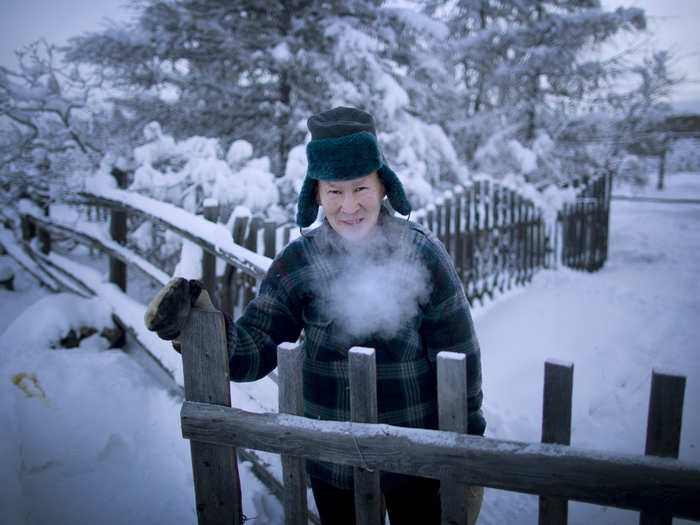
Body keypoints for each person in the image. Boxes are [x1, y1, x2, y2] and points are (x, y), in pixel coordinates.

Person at [145, 107, 485, 525]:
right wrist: (200, 325)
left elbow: (460, 356)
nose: (349, 206)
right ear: (317, 194)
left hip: (415, 460)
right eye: (334, 191)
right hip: (333, 463)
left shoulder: (422, 254)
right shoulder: (298, 263)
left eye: (360, 188)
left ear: (382, 186)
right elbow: (255, 350)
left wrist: (470, 454)